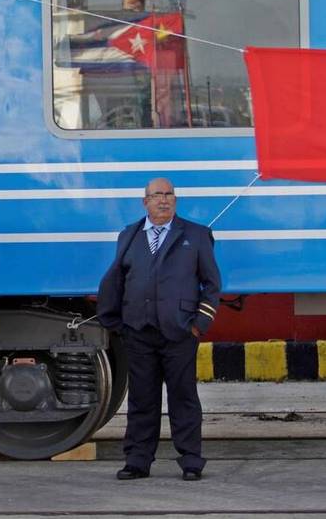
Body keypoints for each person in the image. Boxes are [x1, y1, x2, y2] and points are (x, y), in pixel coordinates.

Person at [97, 177, 221, 482]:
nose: (163, 200)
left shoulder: (196, 235)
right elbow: (118, 279)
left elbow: (212, 284)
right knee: (142, 399)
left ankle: (191, 461)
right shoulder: (129, 235)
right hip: (139, 332)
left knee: (184, 398)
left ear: (175, 200)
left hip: (180, 333)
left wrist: (198, 325)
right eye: (156, 195)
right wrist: (117, 322)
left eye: (168, 195)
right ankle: (137, 460)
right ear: (145, 202)